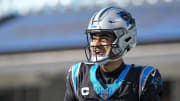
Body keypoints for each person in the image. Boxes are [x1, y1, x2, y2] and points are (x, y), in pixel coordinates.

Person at [64, 7, 163, 101]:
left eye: (104, 38)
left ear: (125, 39)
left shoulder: (143, 78)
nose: (96, 44)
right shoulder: (78, 75)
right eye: (94, 38)